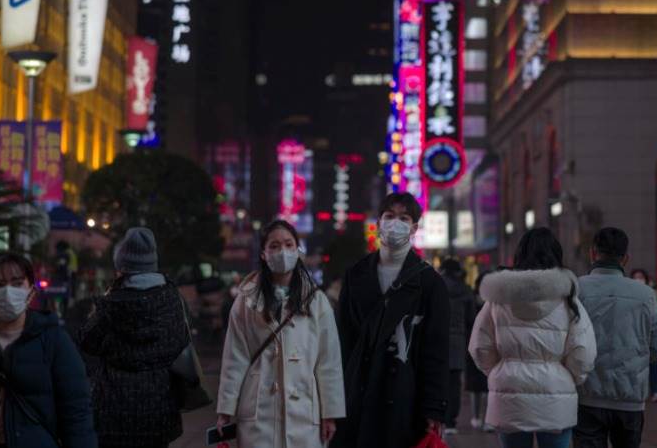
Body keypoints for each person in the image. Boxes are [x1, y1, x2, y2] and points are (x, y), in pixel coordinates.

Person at [333, 192, 449, 448]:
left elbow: (436, 352)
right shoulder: (356, 275)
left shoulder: (430, 283)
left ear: (414, 228)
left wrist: (435, 409)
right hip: (358, 394)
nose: (395, 223)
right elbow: (342, 342)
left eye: (404, 218)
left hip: (406, 399)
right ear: (379, 222)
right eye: (389, 216)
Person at [216, 220, 345, 448]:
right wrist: (225, 409)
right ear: (264, 254)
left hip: (305, 413)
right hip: (258, 413)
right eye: (274, 246)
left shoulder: (317, 301)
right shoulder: (246, 300)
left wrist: (330, 413)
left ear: (297, 250)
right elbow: (234, 358)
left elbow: (329, 361)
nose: (282, 251)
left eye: (288, 244)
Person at [469, 228, 596, 448]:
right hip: (555, 395)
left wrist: (500, 371)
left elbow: (480, 347)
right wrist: (567, 377)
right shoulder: (568, 300)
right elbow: (583, 352)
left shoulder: (498, 299)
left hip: (509, 393)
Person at [79, 227, 188, 448]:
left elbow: (87, 341)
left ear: (121, 267)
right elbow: (179, 343)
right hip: (159, 407)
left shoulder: (111, 303)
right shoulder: (172, 299)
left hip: (113, 409)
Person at [0, 252, 96, 448]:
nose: (7, 292)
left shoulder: (54, 340)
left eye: (16, 283)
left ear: (30, 291)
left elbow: (77, 413)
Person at [574, 227, 657, 448]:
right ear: (625, 259)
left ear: (593, 253)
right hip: (630, 398)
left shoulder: (576, 289)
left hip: (587, 396)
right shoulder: (646, 295)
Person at [439, 258, 475, 435]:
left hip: (437, 340)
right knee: (454, 383)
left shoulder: (436, 287)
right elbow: (471, 320)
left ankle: (440, 417)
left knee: (438, 380)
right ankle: (451, 421)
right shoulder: (465, 290)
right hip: (458, 341)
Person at [630, 269, 657, 402]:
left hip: (651, 335)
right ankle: (642, 391)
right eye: (635, 277)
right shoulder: (629, 294)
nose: (638, 280)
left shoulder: (652, 294)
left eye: (640, 277)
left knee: (655, 363)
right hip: (635, 335)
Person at [465, 272, 491, 432]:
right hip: (478, 346)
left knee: (483, 386)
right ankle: (479, 417)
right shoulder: (492, 301)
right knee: (479, 385)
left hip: (479, 345)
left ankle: (481, 417)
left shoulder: (472, 299)